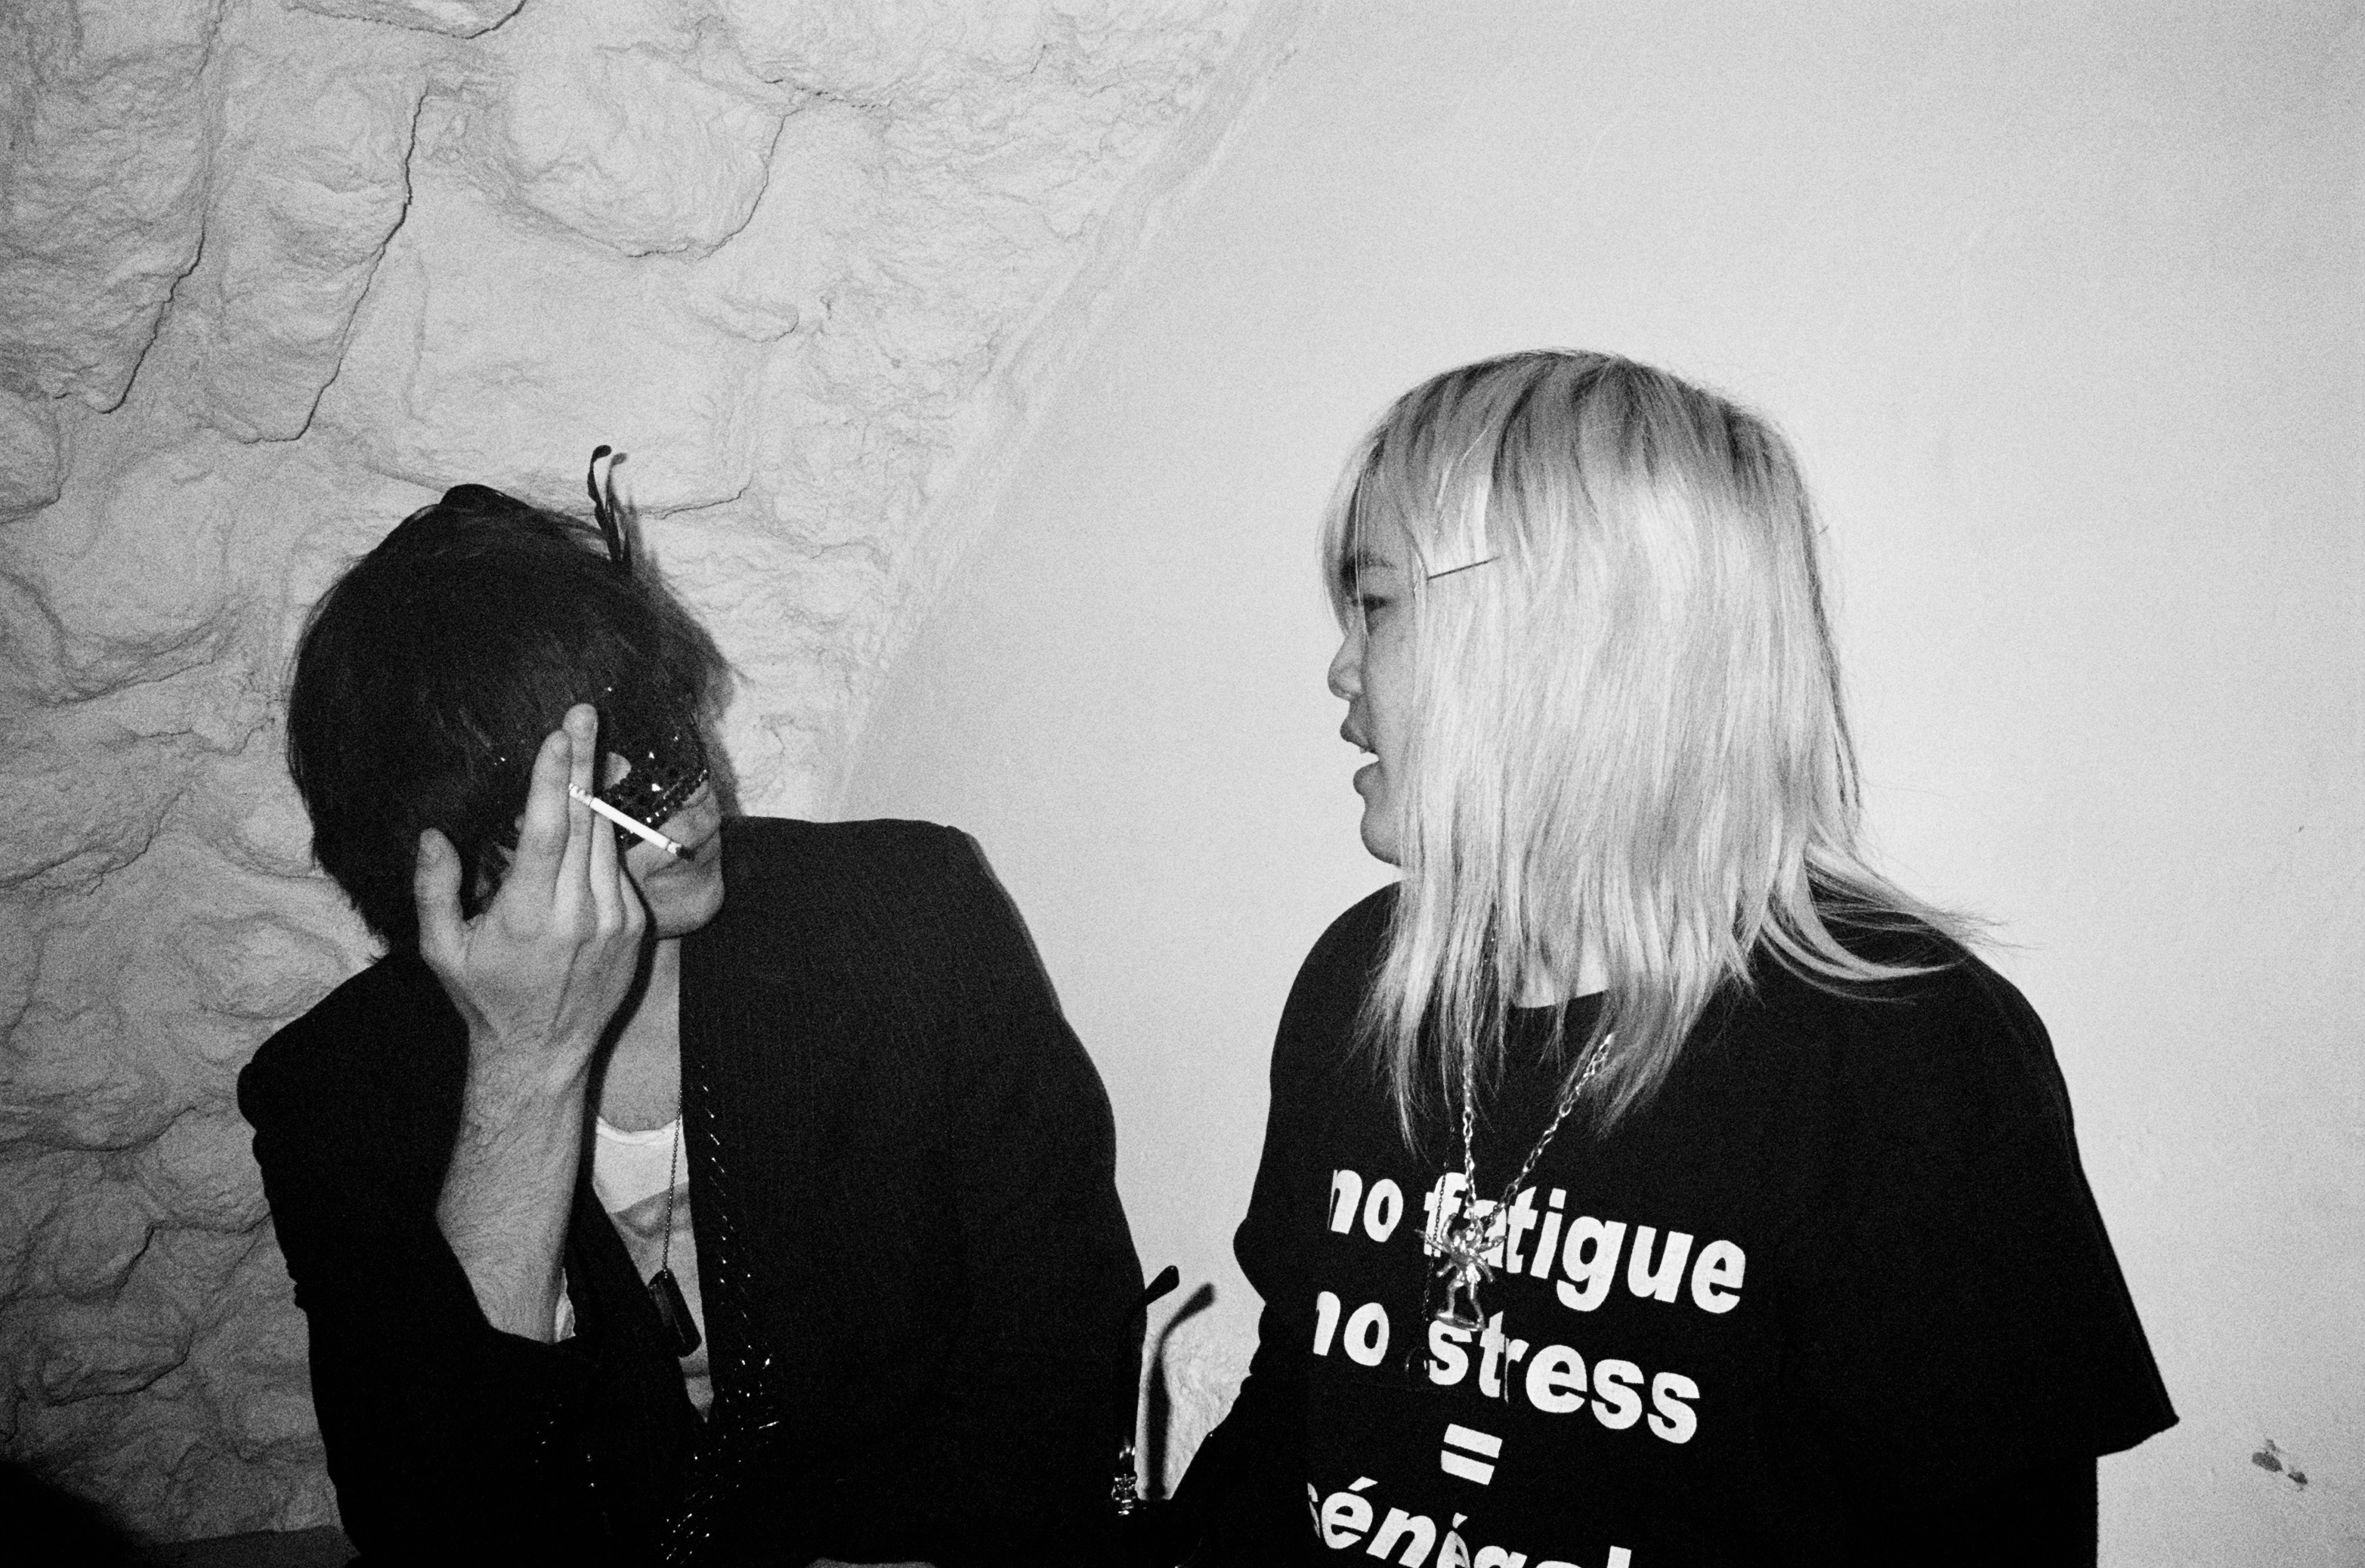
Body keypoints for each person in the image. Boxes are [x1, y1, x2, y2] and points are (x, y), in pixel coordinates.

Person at [1173, 351, 2175, 1565]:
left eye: (1376, 604)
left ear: (1565, 634)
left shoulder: (1904, 1054)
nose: (1339, 667)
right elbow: (1293, 1414)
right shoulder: (1365, 980)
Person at [238, 471, 1142, 1566]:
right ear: (448, 859)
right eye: (593, 789)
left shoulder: (907, 918)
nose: (685, 801)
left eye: (658, 724)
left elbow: (1063, 1348)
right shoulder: (337, 1093)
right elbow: (434, 1524)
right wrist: (525, 1071)